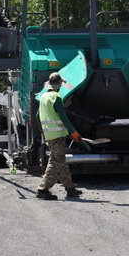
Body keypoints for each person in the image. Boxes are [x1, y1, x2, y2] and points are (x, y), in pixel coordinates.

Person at [36, 72, 83, 200]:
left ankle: (70, 188)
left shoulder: (44, 97)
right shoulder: (56, 98)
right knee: (55, 162)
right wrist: (74, 132)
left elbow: (37, 116)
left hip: (49, 135)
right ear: (59, 85)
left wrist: (42, 129)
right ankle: (43, 189)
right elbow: (64, 117)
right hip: (57, 135)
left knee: (60, 161)